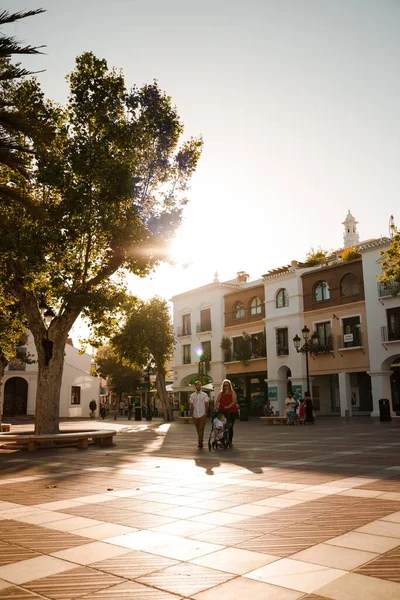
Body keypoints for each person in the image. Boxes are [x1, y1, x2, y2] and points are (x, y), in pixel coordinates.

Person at [215, 379, 239, 445]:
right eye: (224, 385)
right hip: (222, 410)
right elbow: (217, 400)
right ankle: (222, 438)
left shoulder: (232, 392)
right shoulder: (221, 393)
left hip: (231, 410)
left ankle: (230, 440)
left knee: (230, 426)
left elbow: (234, 401)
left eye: (227, 385)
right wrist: (216, 406)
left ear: (229, 385)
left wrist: (228, 406)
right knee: (221, 425)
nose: (226, 387)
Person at [190, 380, 209, 449]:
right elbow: (191, 405)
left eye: (200, 385)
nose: (199, 386)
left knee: (201, 428)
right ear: (195, 386)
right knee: (198, 429)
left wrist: (206, 412)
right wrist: (191, 414)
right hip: (195, 414)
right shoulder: (192, 395)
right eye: (197, 385)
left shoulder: (204, 394)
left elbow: (206, 404)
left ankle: (200, 442)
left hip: (202, 413)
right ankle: (200, 439)